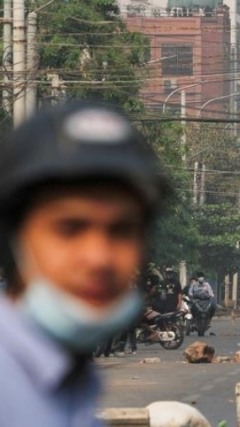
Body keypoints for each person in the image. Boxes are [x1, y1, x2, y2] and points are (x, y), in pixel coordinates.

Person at [0, 102, 166, 426]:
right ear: (13, 239)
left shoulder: (74, 386)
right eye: (69, 228)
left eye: (122, 230)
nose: (99, 258)